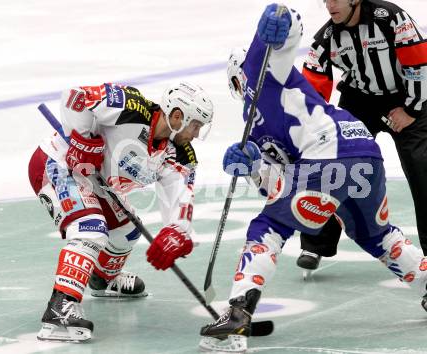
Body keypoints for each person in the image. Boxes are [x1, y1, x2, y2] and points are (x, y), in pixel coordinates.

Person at [198, 4, 427, 352]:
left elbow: (285, 30)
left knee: (269, 227)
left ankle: (238, 312)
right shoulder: (254, 120)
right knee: (375, 234)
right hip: (363, 151)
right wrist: (251, 164)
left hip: (329, 154)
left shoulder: (262, 71)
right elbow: (275, 182)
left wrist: (279, 21)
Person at [28, 81, 213, 341]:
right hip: (58, 164)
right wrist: (82, 139)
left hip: (95, 181)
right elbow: (75, 97)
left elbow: (180, 196)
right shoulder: (130, 106)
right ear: (177, 116)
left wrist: (177, 230)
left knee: (127, 229)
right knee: (90, 229)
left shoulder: (180, 155)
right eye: (195, 125)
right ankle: (60, 306)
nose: (195, 133)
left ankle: (103, 279)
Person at [298, 0, 427, 272]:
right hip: (360, 100)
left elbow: (421, 61)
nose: (329, 5)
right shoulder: (327, 37)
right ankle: (316, 242)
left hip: (408, 98)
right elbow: (310, 91)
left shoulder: (392, 18)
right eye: (325, 0)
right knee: (332, 164)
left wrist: (411, 110)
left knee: (423, 174)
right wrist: (314, 131)